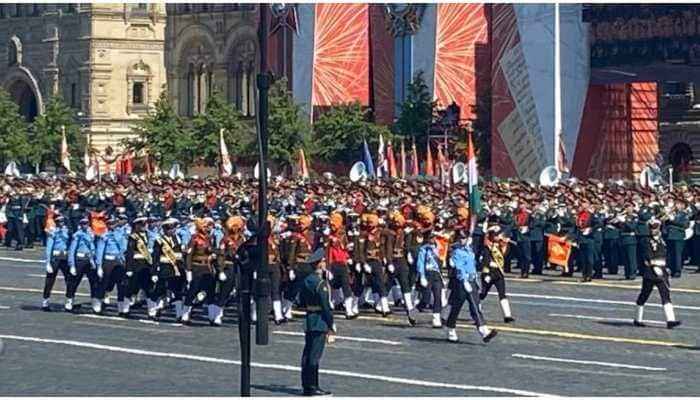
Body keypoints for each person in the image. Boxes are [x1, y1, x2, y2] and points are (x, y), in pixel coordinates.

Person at [445, 230, 498, 343]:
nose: (462, 240)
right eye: (460, 238)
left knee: (475, 306)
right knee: (456, 307)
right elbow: (459, 267)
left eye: (464, 238)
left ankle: (484, 331)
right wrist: (464, 281)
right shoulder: (457, 252)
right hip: (461, 282)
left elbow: (473, 266)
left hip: (472, 280)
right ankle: (451, 329)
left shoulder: (470, 250)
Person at [633, 219, 681, 329]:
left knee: (665, 295)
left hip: (662, 270)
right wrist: (655, 267)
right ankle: (637, 318)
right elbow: (648, 255)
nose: (653, 230)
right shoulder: (645, 240)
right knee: (644, 294)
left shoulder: (662, 240)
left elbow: (666, 254)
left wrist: (667, 267)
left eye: (655, 228)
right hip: (651, 271)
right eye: (652, 228)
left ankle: (670, 320)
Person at [299, 248, 335, 397]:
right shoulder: (320, 283)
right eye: (324, 261)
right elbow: (326, 306)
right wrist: (331, 324)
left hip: (309, 318)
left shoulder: (306, 280)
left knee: (307, 354)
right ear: (319, 264)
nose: (325, 263)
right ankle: (313, 386)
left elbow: (301, 301)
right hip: (319, 320)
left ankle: (306, 385)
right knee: (315, 355)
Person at [479, 226, 515, 323]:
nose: (500, 236)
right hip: (489, 273)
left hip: (499, 273)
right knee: (483, 294)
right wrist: (489, 268)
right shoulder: (487, 247)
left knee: (502, 294)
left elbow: (506, 255)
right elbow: (484, 261)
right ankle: (477, 312)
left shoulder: (500, 245)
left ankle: (507, 315)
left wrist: (505, 244)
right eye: (497, 235)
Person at [66, 217, 99, 313]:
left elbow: (94, 248)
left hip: (89, 260)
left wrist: (95, 261)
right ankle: (69, 300)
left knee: (94, 282)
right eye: (83, 224)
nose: (85, 225)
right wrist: (72, 264)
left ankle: (94, 301)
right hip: (79, 259)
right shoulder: (77, 235)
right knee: (74, 281)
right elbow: (72, 250)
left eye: (87, 223)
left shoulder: (91, 234)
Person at [41, 214, 70, 311]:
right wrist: (48, 261)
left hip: (65, 256)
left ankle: (69, 300)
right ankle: (45, 301)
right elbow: (49, 247)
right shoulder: (53, 232)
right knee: (50, 279)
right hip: (55, 256)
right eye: (58, 222)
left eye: (61, 221)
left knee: (69, 279)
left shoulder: (67, 230)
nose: (60, 223)